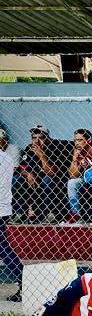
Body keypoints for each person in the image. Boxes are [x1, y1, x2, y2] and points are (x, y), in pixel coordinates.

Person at [20, 124, 71, 220]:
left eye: (41, 138)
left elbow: (51, 172)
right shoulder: (29, 148)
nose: (37, 141)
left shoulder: (56, 147)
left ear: (47, 138)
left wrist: (41, 154)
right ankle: (20, 213)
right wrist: (28, 174)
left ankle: (52, 212)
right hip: (37, 177)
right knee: (17, 179)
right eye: (34, 138)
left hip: (56, 177)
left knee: (47, 180)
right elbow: (22, 167)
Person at [0, 129, 23, 302]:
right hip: (4, 208)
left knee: (3, 248)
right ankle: (23, 279)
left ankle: (23, 278)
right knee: (3, 248)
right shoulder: (6, 158)